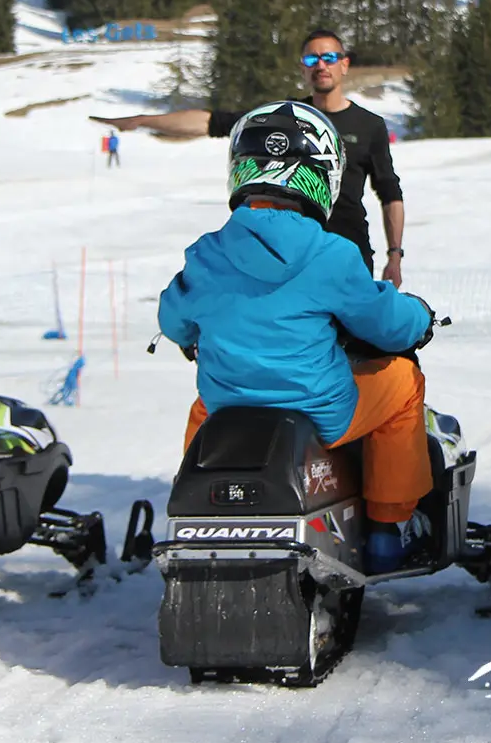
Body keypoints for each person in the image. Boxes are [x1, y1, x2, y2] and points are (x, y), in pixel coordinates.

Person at [158, 101, 437, 573]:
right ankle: (390, 527)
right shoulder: (331, 253)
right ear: (321, 175)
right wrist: (421, 317)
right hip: (320, 411)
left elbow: (173, 322)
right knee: (404, 382)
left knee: (203, 410)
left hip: (230, 406)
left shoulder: (207, 252)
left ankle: (199, 510)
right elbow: (387, 324)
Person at [96, 29, 406, 284]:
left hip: (347, 251)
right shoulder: (284, 117)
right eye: (312, 58)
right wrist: (144, 120)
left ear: (344, 64)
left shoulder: (370, 126)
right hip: (285, 253)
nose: (321, 65)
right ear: (302, 67)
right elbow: (211, 122)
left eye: (329, 57)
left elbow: (389, 192)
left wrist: (395, 255)